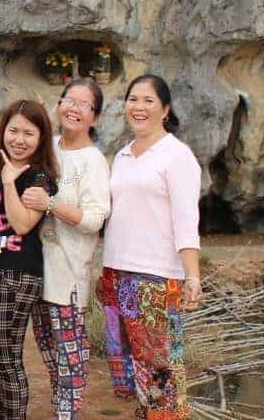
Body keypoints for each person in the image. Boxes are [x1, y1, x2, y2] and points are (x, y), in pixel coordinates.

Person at [98, 74, 204, 420]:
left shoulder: (177, 156)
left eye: (148, 100)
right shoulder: (122, 155)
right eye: (133, 99)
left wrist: (192, 276)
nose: (138, 107)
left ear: (165, 109)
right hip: (116, 273)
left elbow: (186, 220)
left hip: (156, 278)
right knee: (133, 371)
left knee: (163, 371)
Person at [21, 78, 110, 419]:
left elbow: (94, 219)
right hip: (35, 270)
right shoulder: (46, 147)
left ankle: (67, 414)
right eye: (69, 100)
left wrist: (50, 204)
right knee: (48, 351)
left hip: (68, 274)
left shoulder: (93, 161)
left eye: (84, 105)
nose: (74, 108)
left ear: (95, 117)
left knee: (70, 356)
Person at [0, 100, 58, 419]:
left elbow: (22, 224)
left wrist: (8, 181)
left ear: (41, 138)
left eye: (28, 133)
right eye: (13, 131)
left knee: (7, 359)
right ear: (2, 132)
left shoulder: (39, 178)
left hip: (17, 274)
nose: (19, 139)